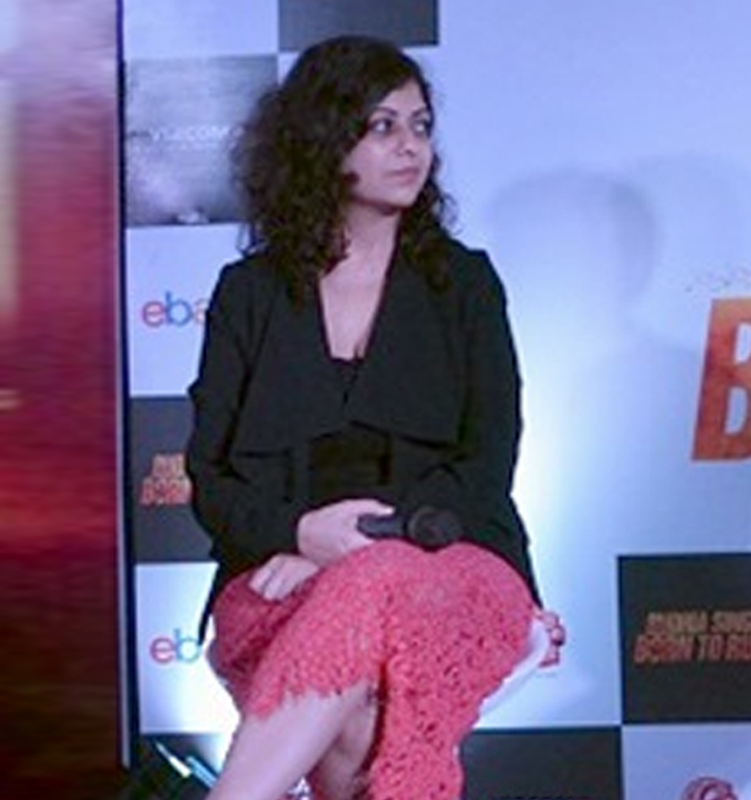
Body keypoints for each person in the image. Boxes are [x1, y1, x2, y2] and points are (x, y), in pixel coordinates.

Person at [186, 34, 542, 800]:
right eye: (383, 127)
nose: (411, 147)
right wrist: (298, 535)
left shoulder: (465, 285)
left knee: (371, 583)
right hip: (278, 572)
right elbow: (210, 480)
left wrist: (348, 548)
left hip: (454, 560)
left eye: (420, 126)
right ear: (323, 140)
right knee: (359, 721)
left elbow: (486, 468)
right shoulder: (249, 294)